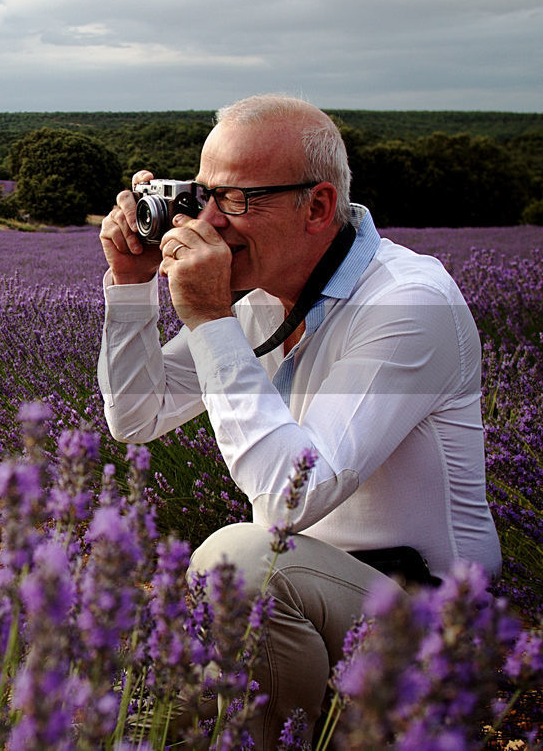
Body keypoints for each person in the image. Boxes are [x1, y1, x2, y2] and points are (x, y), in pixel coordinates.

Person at [96, 93, 500, 746]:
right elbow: (136, 415)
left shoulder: (409, 302)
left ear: (315, 206)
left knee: (238, 562)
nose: (209, 222)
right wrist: (130, 284)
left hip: (431, 629)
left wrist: (206, 317)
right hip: (306, 609)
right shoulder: (263, 300)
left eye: (234, 199)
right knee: (128, 707)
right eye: (202, 196)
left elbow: (289, 500)